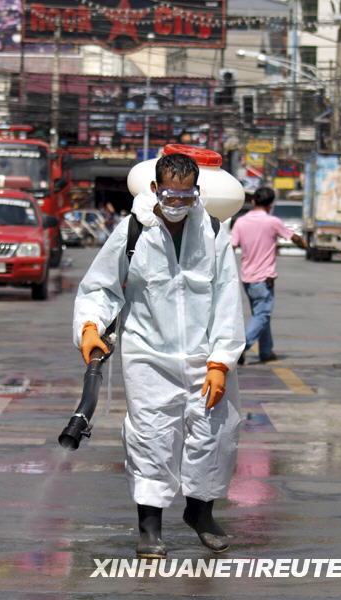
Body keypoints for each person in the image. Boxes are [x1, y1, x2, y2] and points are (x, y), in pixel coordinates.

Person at [73, 152, 245, 558]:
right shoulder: (133, 231)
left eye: (187, 197)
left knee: (214, 435)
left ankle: (200, 513)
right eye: (170, 196)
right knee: (151, 437)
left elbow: (227, 299)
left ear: (197, 192)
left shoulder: (213, 232)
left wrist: (221, 361)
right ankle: (149, 527)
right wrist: (90, 328)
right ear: (155, 189)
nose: (178, 204)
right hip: (148, 355)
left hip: (204, 357)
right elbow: (100, 287)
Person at [231, 186, 307, 365]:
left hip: (247, 277)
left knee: (261, 314)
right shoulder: (272, 222)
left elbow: (232, 245)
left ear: (253, 202)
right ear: (271, 204)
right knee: (262, 315)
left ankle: (266, 351)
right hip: (264, 279)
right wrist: (305, 246)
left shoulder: (241, 222)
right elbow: (293, 237)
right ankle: (242, 347)